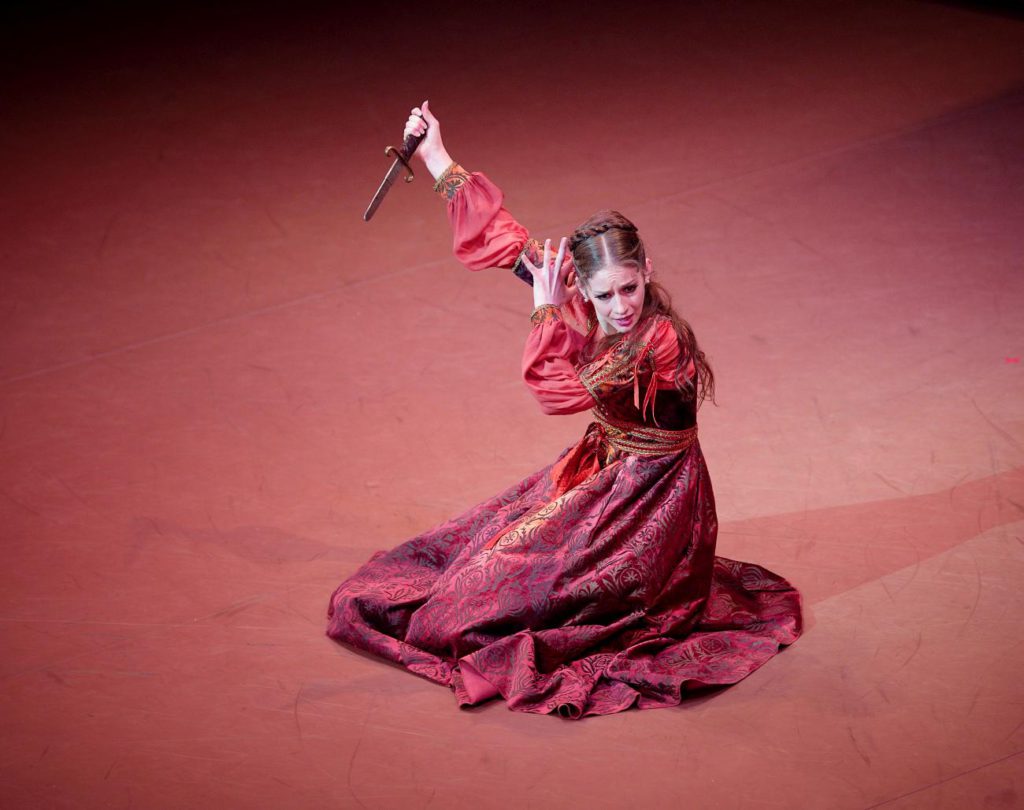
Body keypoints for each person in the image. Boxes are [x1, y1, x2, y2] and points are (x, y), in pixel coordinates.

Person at [326, 102, 802, 718]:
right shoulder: (590, 298)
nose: (619, 306)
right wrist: (434, 154)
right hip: (601, 471)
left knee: (476, 608)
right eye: (602, 294)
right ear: (586, 286)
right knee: (466, 569)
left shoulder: (656, 340)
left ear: (646, 273)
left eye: (629, 288)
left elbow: (557, 395)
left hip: (653, 498)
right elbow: (508, 242)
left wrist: (545, 312)